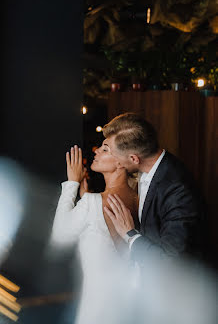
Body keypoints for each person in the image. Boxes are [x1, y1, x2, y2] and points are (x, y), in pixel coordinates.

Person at [50, 144, 139, 324]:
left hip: (96, 311)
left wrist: (72, 183)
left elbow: (59, 237)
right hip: (130, 308)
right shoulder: (140, 199)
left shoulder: (92, 204)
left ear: (121, 162)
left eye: (105, 149)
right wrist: (86, 198)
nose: (96, 150)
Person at [102, 113, 204, 264]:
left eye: (115, 156)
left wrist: (129, 234)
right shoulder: (147, 170)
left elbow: (170, 259)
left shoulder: (178, 189)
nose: (116, 162)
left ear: (134, 159)